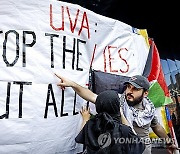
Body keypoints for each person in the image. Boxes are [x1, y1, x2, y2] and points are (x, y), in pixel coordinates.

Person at [55, 73, 178, 154]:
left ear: (145, 93)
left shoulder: (149, 110)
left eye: (135, 89)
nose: (130, 91)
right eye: (129, 87)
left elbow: (157, 127)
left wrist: (168, 142)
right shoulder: (116, 101)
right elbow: (90, 95)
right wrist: (71, 84)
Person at [75, 90, 145, 154]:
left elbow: (82, 136)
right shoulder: (123, 130)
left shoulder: (91, 124)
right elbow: (139, 146)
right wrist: (121, 113)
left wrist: (85, 119)